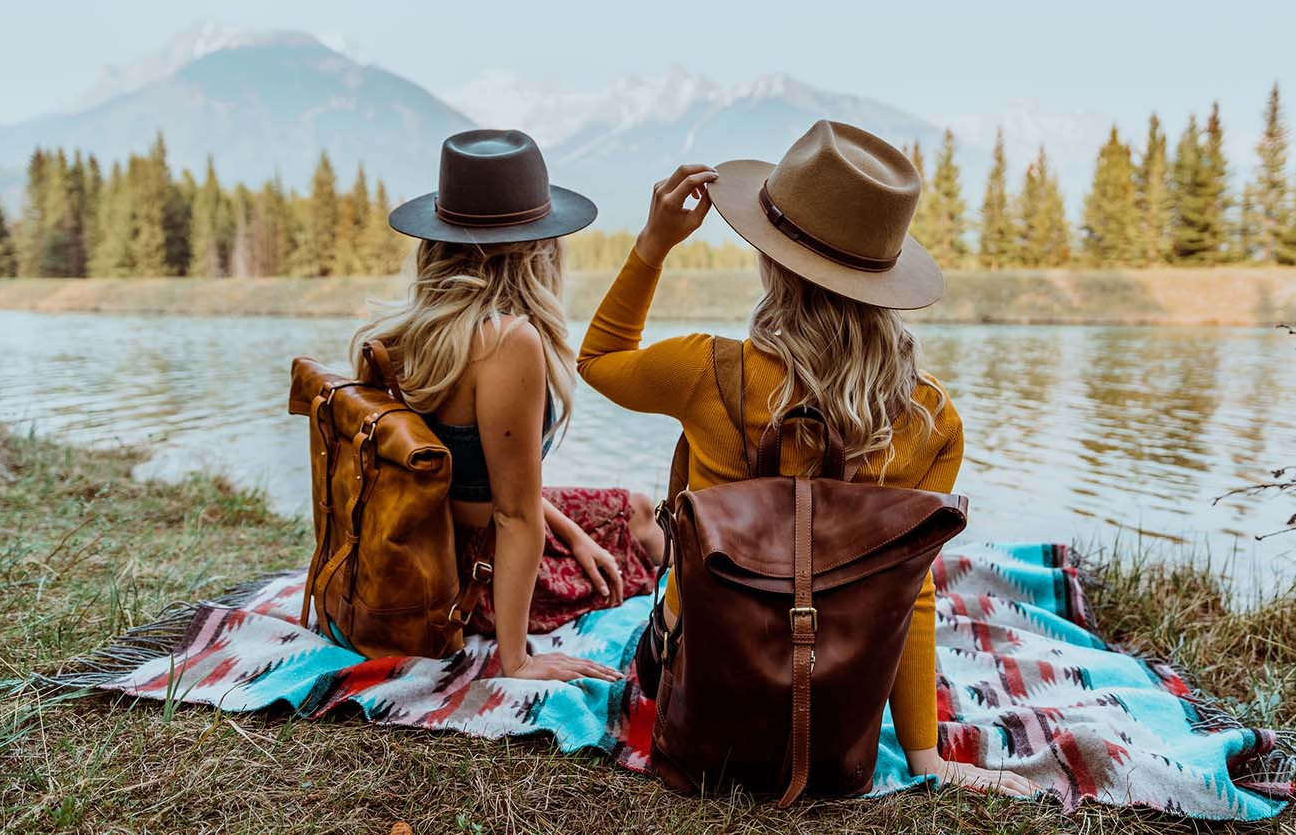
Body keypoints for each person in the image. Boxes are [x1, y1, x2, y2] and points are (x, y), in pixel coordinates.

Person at [577, 120, 1036, 794]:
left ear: (772, 260)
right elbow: (915, 596)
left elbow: (598, 360)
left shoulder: (707, 370)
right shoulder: (932, 420)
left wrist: (653, 246)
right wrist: (924, 758)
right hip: (836, 705)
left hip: (702, 688)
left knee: (650, 619)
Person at [360, 128, 662, 681]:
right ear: (536, 248)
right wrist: (517, 658)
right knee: (643, 534)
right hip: (475, 574)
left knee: (636, 509)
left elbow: (468, 480)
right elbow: (512, 516)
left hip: (426, 545)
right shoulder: (506, 341)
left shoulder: (395, 334)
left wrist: (572, 532)